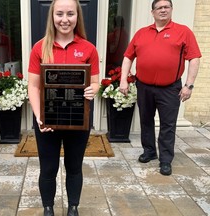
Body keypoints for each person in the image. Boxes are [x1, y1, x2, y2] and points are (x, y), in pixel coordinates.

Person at [27, 0, 99, 215]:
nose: (65, 19)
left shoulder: (89, 48)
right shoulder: (40, 47)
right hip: (46, 120)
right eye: (59, 14)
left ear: (78, 16)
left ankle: (73, 208)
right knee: (48, 168)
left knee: (74, 167)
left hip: (78, 119)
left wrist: (93, 89)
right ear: (52, 16)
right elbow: (32, 85)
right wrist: (40, 116)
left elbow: (95, 81)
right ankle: (48, 208)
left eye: (70, 14)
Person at [119, 0, 201, 176]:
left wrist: (189, 85)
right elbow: (128, 57)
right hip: (144, 86)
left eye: (166, 7)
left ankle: (165, 160)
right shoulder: (141, 33)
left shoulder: (183, 32)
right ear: (153, 12)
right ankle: (149, 151)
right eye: (159, 8)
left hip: (170, 88)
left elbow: (194, 58)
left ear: (171, 10)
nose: (163, 10)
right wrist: (123, 80)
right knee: (145, 120)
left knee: (168, 124)